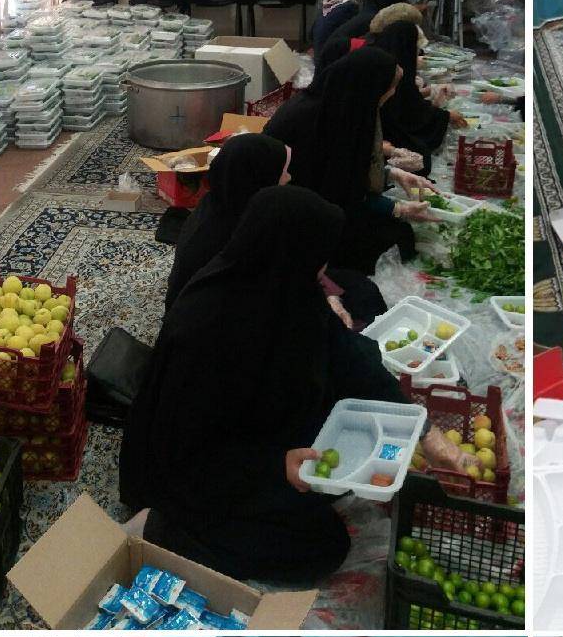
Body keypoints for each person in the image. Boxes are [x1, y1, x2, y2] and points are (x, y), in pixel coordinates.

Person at [121, 187, 406, 584]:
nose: (324, 266)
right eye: (319, 255)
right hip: (197, 472)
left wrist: (416, 425)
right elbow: (188, 447)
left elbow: (347, 354)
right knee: (322, 547)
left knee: (343, 450)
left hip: (254, 437)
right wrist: (274, 466)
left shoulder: (288, 286)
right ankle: (160, 531)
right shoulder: (207, 325)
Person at [264, 49, 430, 273]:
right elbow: (336, 189)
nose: (392, 93)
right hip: (297, 215)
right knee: (394, 238)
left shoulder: (341, 104)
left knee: (397, 233)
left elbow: (349, 166)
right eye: (390, 86)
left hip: (322, 199)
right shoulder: (313, 118)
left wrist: (391, 173)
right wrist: (395, 208)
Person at [163, 134, 290, 311]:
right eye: (283, 172)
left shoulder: (222, 202)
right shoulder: (231, 235)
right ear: (259, 176)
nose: (288, 178)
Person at [367, 21, 464, 171]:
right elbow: (408, 112)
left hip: (383, 132)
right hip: (383, 133)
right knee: (421, 157)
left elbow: (407, 98)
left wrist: (431, 94)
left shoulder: (387, 55)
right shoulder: (387, 67)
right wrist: (444, 116)